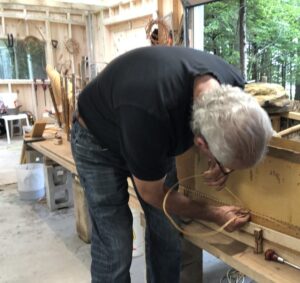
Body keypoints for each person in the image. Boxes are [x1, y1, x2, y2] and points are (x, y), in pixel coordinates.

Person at [71, 46, 273, 283]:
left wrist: (220, 160)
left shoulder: (233, 83)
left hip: (146, 128)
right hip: (98, 141)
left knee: (166, 233)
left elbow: (223, 126)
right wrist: (212, 213)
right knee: (115, 244)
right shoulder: (152, 113)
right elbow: (152, 193)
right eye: (225, 166)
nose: (224, 171)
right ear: (201, 143)